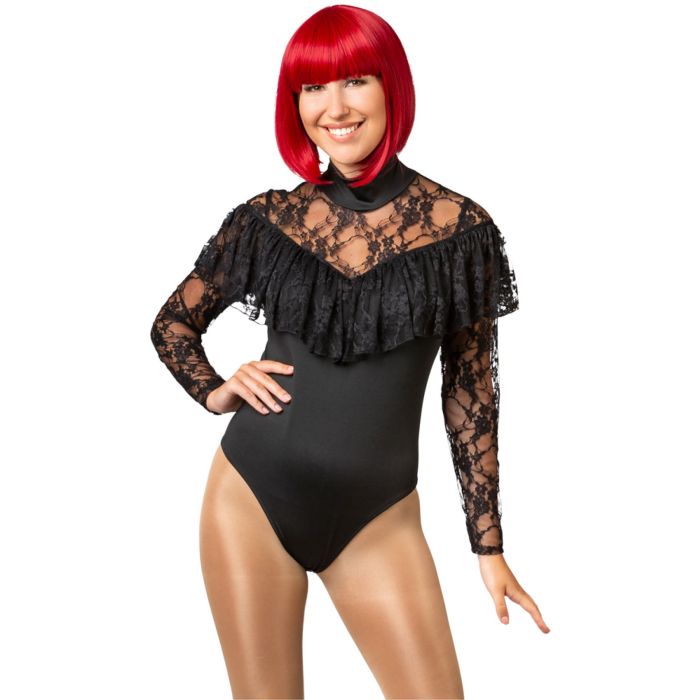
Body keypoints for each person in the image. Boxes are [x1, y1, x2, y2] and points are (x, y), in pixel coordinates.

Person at [150, 4, 550, 698]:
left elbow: (470, 392)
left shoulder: (461, 231)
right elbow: (172, 325)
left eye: (355, 80)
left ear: (391, 86)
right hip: (250, 498)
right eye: (312, 87)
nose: (334, 108)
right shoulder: (270, 220)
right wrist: (217, 390)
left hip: (378, 519)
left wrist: (488, 548)